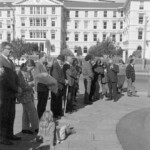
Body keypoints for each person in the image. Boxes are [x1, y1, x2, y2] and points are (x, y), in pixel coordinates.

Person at [0, 42, 22, 145]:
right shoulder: (0, 60)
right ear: (3, 49)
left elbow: (14, 75)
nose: (10, 51)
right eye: (9, 49)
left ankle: (10, 134)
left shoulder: (10, 61)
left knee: (11, 115)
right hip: (4, 93)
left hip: (12, 93)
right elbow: (4, 78)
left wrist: (18, 86)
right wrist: (16, 88)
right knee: (3, 116)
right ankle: (2, 137)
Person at [17, 63, 39, 134]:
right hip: (24, 95)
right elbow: (23, 85)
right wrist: (30, 84)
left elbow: (33, 81)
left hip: (29, 94)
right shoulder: (20, 73)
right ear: (27, 66)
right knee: (32, 112)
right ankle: (36, 127)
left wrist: (30, 83)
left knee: (26, 112)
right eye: (31, 68)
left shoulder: (28, 72)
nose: (32, 70)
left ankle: (25, 128)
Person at [32, 53, 49, 119]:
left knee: (44, 103)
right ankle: (39, 117)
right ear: (41, 57)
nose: (46, 58)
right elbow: (37, 76)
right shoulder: (38, 65)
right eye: (45, 57)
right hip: (41, 87)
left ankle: (42, 116)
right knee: (41, 103)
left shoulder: (44, 64)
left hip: (46, 86)